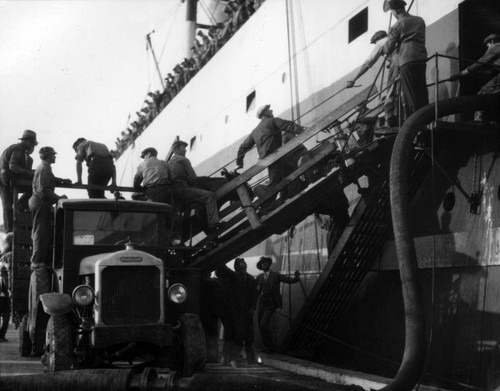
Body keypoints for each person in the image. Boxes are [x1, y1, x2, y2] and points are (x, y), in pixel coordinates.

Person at [236, 104, 304, 209]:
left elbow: (243, 147)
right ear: (265, 113)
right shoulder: (272, 121)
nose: (271, 110)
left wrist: (239, 162)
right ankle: (267, 204)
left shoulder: (255, 132)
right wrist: (302, 129)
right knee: (275, 182)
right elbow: (287, 125)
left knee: (291, 171)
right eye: (269, 110)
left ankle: (285, 196)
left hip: (269, 159)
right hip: (274, 157)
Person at [383, 0, 428, 122]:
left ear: (396, 10)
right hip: (421, 59)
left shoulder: (397, 25)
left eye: (391, 11)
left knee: (410, 95)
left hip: (406, 61)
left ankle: (416, 126)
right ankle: (426, 121)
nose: (392, 13)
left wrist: (384, 45)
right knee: (422, 91)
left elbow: (388, 47)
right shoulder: (420, 20)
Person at [346, 30, 400, 129]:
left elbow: (367, 64)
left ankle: (390, 120)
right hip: (410, 60)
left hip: (397, 65)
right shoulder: (393, 39)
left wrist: (353, 79)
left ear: (377, 39)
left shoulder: (380, 43)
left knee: (391, 91)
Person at [29, 147, 69, 269]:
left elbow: (47, 182)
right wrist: (58, 198)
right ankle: (37, 261)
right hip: (40, 202)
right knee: (40, 232)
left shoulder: (45, 168)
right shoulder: (44, 169)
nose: (55, 156)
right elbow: (43, 190)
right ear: (47, 156)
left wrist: (61, 181)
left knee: (42, 231)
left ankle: (39, 260)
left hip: (42, 202)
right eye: (53, 155)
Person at [166, 140, 221, 230]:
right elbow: (193, 178)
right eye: (183, 148)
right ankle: (213, 223)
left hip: (174, 194)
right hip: (183, 190)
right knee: (209, 196)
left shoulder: (167, 164)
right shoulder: (183, 159)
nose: (185, 150)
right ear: (176, 149)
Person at [450, 33, 500, 123]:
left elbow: (479, 63)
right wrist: (475, 73)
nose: (487, 48)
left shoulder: (495, 47)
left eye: (487, 45)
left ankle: (479, 121)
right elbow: (493, 71)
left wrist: (460, 74)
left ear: (492, 42)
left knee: (483, 93)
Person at [216, 258, 258, 367]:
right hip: (234, 311)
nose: (242, 265)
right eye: (239, 264)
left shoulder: (251, 279)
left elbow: (254, 295)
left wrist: (252, 308)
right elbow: (224, 269)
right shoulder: (234, 277)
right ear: (236, 267)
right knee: (234, 334)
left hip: (246, 312)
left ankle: (232, 358)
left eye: (243, 263)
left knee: (243, 335)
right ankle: (229, 358)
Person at [255, 256, 300, 353]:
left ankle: (270, 347)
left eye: (266, 262)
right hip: (261, 304)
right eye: (263, 263)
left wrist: (296, 278)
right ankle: (267, 347)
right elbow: (254, 291)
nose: (265, 264)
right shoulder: (259, 277)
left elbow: (288, 279)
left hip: (271, 304)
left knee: (263, 325)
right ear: (261, 266)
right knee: (261, 326)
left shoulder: (276, 275)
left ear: (269, 264)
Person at [0, 130, 38, 233]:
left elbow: (23, 171)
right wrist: (30, 173)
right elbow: (13, 166)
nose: (32, 146)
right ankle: (9, 229)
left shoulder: (26, 156)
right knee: (7, 203)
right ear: (26, 141)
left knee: (32, 189)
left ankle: (19, 205)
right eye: (32, 143)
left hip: (12, 179)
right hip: (4, 178)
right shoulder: (18, 148)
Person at [0, 265, 10, 342]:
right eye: (3, 271)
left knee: (6, 319)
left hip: (6, 301)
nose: (4, 273)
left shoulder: (8, 279)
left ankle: (2, 335)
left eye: (5, 271)